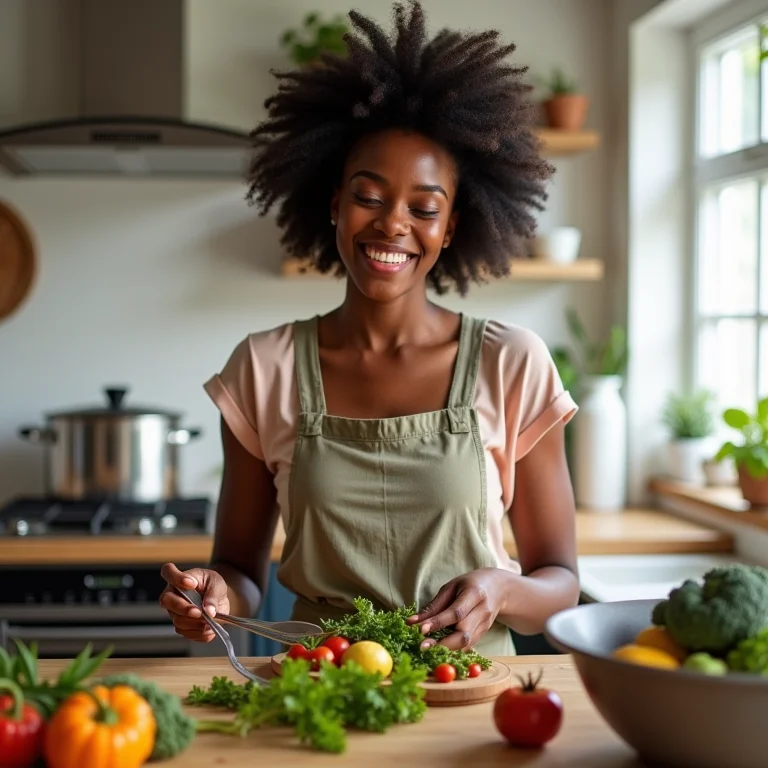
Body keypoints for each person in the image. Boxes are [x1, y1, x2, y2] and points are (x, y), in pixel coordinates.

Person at [160, 0, 580, 657]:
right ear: (334, 205)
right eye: (369, 196)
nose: (392, 225)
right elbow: (241, 572)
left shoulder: (512, 362)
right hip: (316, 687)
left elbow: (560, 582)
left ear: (451, 229)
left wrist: (500, 589)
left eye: (424, 207)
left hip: (464, 692)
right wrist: (214, 594)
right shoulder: (262, 368)